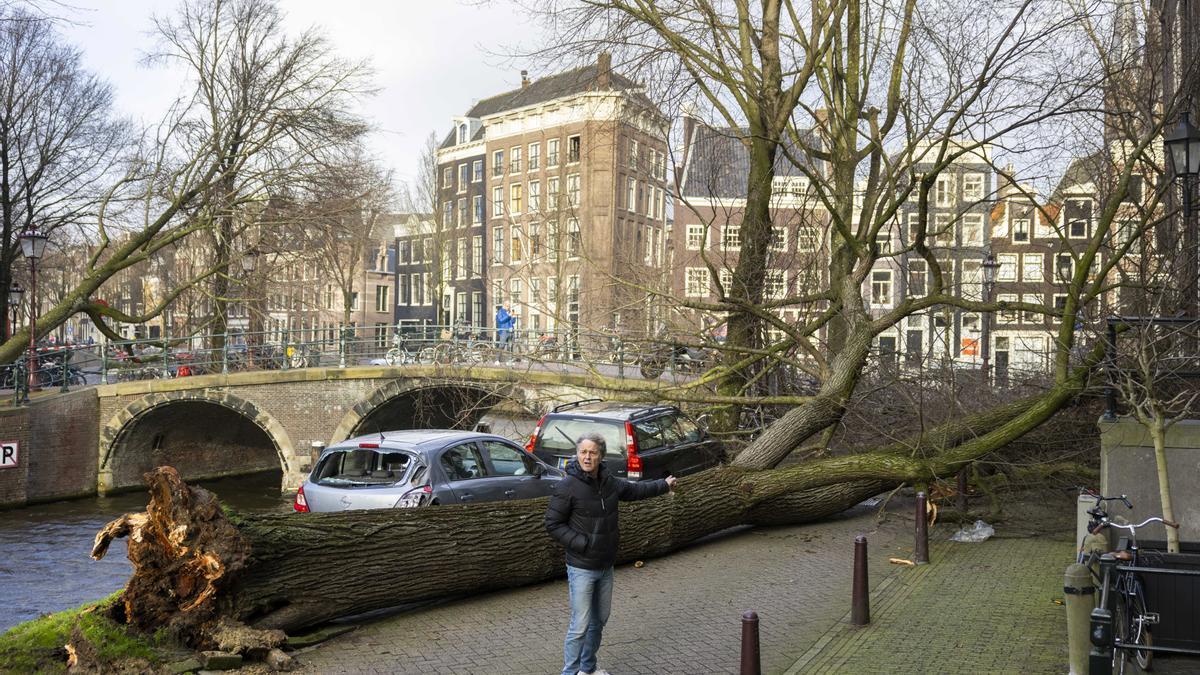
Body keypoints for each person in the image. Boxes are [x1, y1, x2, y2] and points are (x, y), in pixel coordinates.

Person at [545, 433, 677, 675]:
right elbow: (553, 524)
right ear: (577, 454)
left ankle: (588, 669)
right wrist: (582, 543)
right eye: (583, 452)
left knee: (599, 622)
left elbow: (635, 491)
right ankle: (569, 673)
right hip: (581, 566)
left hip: (606, 565)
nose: (587, 457)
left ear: (601, 456)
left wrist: (663, 485)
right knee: (580, 625)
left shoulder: (609, 482)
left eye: (592, 452)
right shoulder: (567, 486)